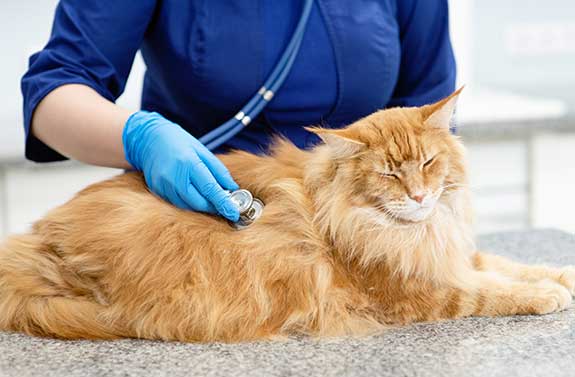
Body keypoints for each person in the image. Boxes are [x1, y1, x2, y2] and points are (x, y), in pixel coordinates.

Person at [21, 0, 455, 222]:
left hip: (362, 234)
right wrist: (140, 137)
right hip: (199, 228)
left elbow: (431, 120)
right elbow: (55, 90)